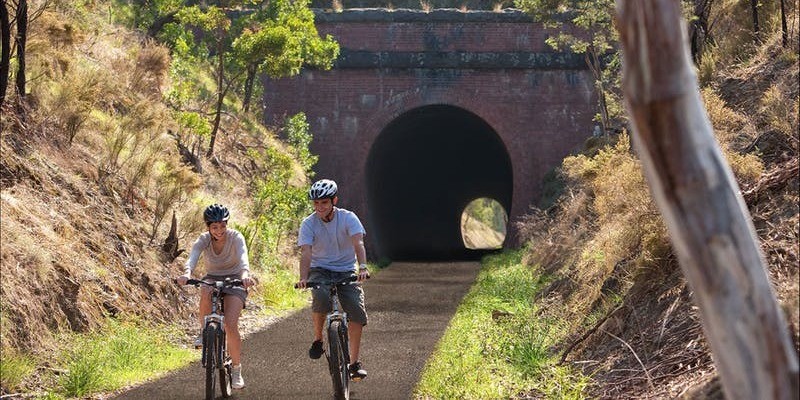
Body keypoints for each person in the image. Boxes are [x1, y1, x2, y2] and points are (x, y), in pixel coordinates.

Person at [296, 179, 370, 381]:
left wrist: (362, 267)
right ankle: (318, 339)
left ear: (334, 201)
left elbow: (358, 243)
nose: (320, 207)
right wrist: (304, 278)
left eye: (324, 203)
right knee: (320, 297)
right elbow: (306, 253)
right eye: (316, 203)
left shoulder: (348, 218)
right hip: (320, 270)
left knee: (355, 310)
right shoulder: (308, 223)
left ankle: (354, 363)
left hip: (346, 270)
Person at [177, 203, 255, 390]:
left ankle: (236, 370)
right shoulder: (204, 239)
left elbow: (243, 256)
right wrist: (187, 273)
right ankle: (205, 331)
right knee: (205, 289)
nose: (219, 230)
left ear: (226, 224)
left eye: (222, 226)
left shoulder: (235, 237)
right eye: (214, 227)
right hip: (212, 278)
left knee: (230, 324)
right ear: (208, 227)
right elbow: (193, 256)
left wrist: (245, 275)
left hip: (236, 279)